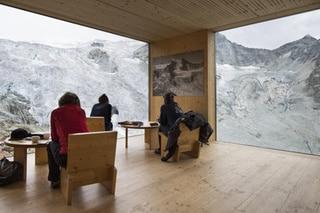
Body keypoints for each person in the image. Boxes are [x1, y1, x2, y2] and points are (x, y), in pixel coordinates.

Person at [47, 92, 88, 188]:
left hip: (67, 159)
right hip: (85, 155)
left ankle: (55, 179)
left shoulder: (55, 113)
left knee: (50, 145)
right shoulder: (82, 111)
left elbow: (54, 138)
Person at [156, 92, 183, 162]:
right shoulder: (177, 105)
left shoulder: (164, 107)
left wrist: (159, 120)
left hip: (173, 129)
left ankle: (160, 149)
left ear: (165, 99)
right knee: (173, 129)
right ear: (172, 99)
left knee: (160, 127)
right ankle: (163, 148)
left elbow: (163, 122)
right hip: (182, 129)